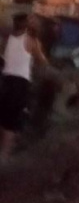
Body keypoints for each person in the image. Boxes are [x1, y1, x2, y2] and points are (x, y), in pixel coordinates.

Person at [0, 13, 48, 164]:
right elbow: (42, 61)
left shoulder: (7, 38)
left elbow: (5, 56)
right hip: (19, 84)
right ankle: (4, 155)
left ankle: (5, 146)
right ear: (27, 25)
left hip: (5, 81)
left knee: (4, 115)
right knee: (12, 120)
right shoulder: (31, 40)